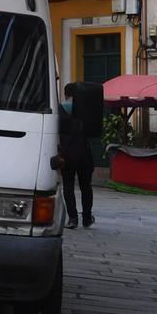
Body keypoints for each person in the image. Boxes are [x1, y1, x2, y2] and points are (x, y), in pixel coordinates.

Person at [57, 84, 94, 230]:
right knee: (86, 187)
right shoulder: (86, 109)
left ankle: (73, 218)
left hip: (67, 155)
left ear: (65, 94)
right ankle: (87, 218)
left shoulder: (59, 110)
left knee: (68, 187)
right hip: (84, 154)